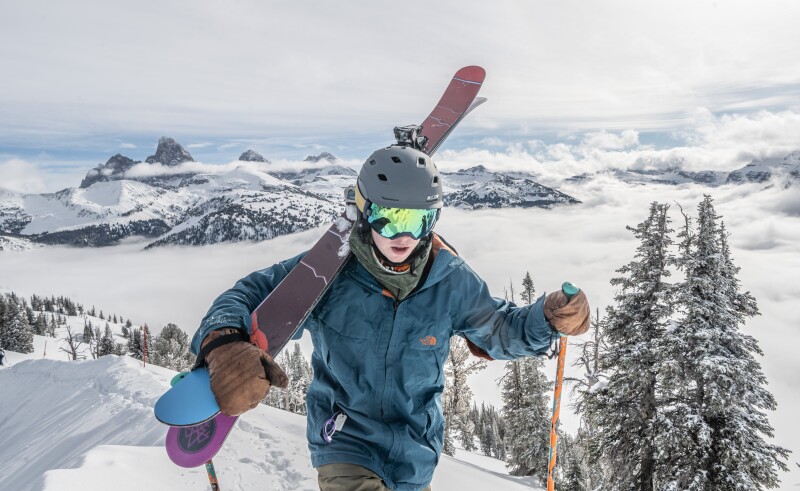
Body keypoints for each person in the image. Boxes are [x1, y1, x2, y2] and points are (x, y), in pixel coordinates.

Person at [190, 145, 590, 491]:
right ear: (364, 214)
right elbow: (246, 295)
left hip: (416, 453)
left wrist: (548, 318)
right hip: (345, 441)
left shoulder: (450, 280)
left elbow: (500, 330)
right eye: (388, 218)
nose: (402, 236)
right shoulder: (326, 272)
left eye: (416, 221)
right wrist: (223, 340)